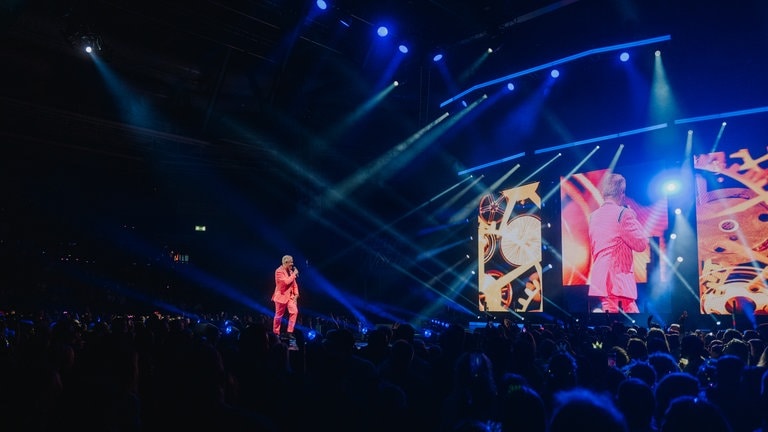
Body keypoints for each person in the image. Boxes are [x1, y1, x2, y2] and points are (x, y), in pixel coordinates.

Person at [588, 173, 647, 313]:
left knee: (610, 314)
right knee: (630, 312)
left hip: (601, 274)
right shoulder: (623, 214)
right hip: (617, 274)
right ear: (621, 193)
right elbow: (641, 244)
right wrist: (633, 217)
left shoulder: (593, 216)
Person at [272, 254, 299, 338]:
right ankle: (276, 332)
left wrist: (296, 294)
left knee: (294, 311)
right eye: (291, 262)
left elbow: (294, 284)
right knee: (278, 316)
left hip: (290, 297)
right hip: (281, 296)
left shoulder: (290, 272)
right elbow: (286, 282)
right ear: (286, 262)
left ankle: (290, 332)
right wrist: (294, 274)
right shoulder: (278, 271)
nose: (292, 264)